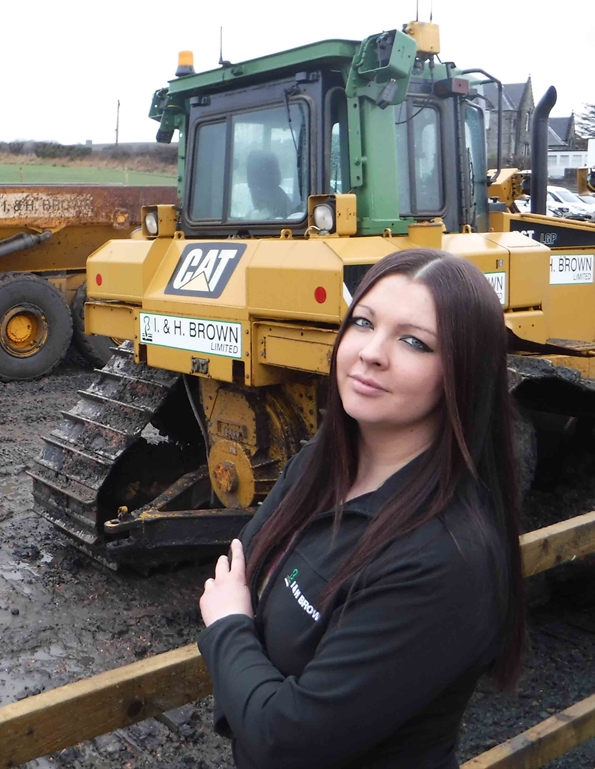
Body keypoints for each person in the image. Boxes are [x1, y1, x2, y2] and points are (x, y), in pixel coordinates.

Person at [198, 248, 525, 769]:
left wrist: (228, 632)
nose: (372, 353)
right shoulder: (317, 466)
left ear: (463, 374)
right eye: (363, 322)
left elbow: (286, 742)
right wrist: (248, 696)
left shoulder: (444, 558)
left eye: (414, 341)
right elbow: (240, 573)